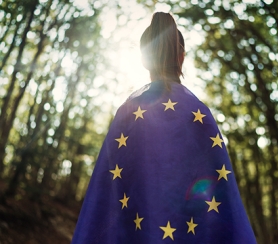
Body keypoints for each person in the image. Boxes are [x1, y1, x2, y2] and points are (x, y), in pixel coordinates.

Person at [72, 12, 256, 243]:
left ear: (143, 59)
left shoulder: (128, 114)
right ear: (182, 57)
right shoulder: (199, 115)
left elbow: (105, 201)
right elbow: (223, 208)